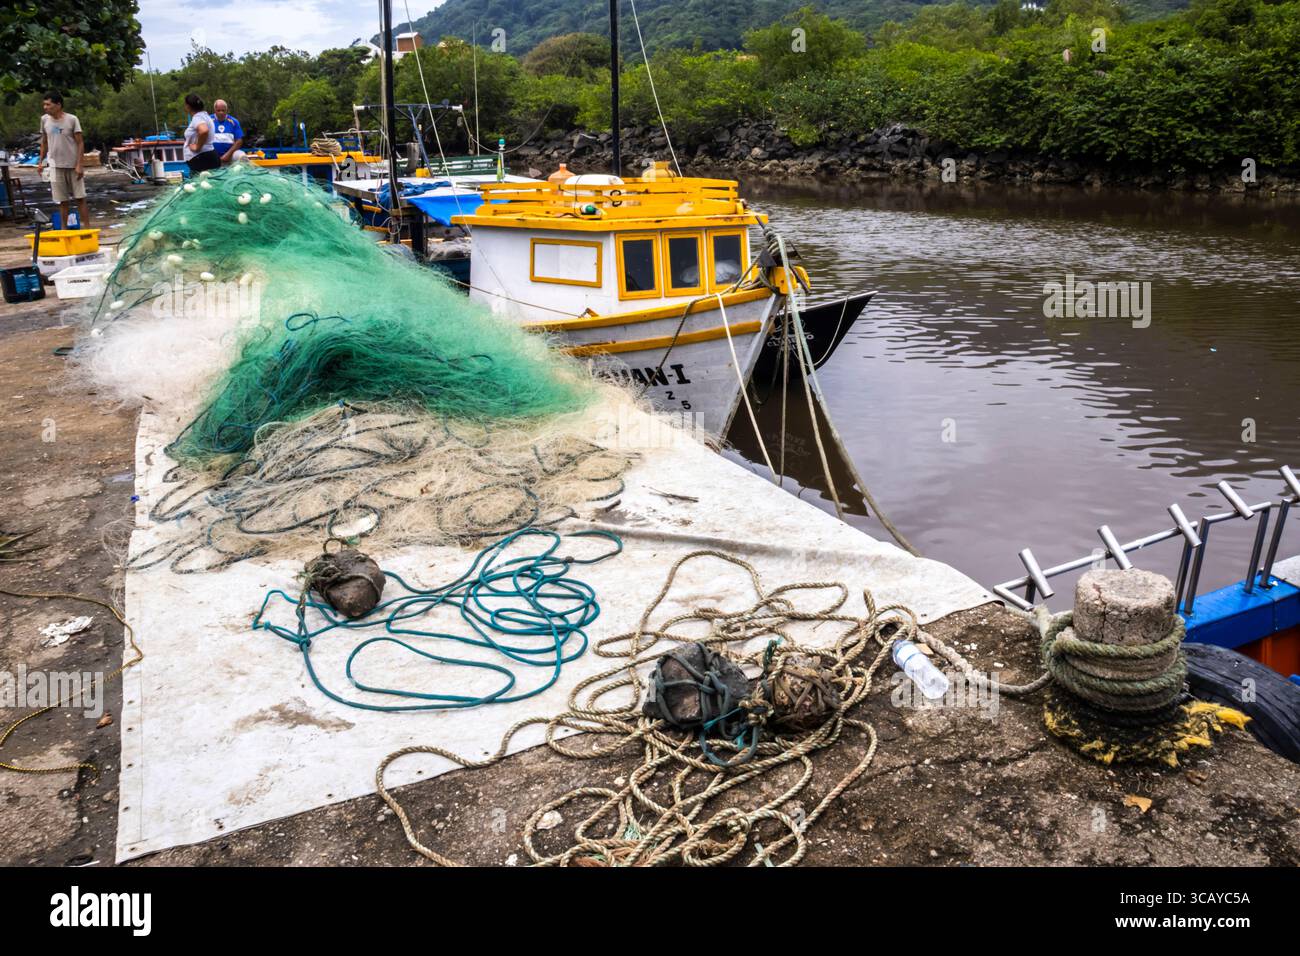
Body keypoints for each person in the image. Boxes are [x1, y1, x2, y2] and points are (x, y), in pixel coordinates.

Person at [37, 91, 90, 228]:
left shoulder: (72, 119)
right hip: (55, 165)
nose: (45, 107)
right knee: (62, 200)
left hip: (72, 165)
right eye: (44, 105)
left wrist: (80, 165)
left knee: (80, 198)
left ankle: (87, 228)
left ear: (58, 104)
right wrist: (41, 162)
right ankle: (64, 229)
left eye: (48, 104)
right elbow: (44, 142)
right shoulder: (44, 120)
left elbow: (80, 143)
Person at [183, 94, 219, 174]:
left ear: (188, 106)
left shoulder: (197, 117)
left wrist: (197, 147)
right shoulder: (206, 116)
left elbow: (204, 131)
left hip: (201, 158)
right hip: (209, 156)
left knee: (200, 184)